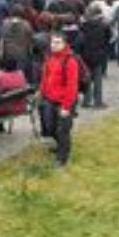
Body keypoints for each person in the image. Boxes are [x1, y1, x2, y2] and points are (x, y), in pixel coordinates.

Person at [40, 32, 80, 166]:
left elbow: (72, 86)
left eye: (58, 43)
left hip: (63, 102)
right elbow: (46, 78)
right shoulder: (50, 58)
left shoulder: (70, 61)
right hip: (49, 99)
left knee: (63, 130)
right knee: (50, 127)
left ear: (64, 44)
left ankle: (62, 157)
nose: (54, 45)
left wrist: (67, 107)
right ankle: (60, 146)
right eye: (52, 42)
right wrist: (41, 93)